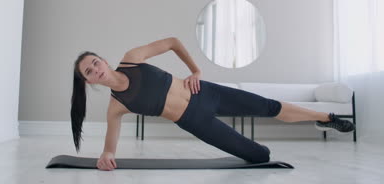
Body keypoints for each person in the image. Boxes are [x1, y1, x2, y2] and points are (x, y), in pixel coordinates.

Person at [71, 37, 355, 171]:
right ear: (89, 81)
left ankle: (325, 117)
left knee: (268, 107)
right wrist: (106, 156)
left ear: (104, 61)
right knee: (259, 156)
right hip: (196, 122)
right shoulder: (116, 106)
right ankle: (314, 121)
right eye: (89, 71)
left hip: (205, 93)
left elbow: (172, 42)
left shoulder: (132, 57)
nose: (96, 69)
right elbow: (110, 144)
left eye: (95, 62)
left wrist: (195, 71)